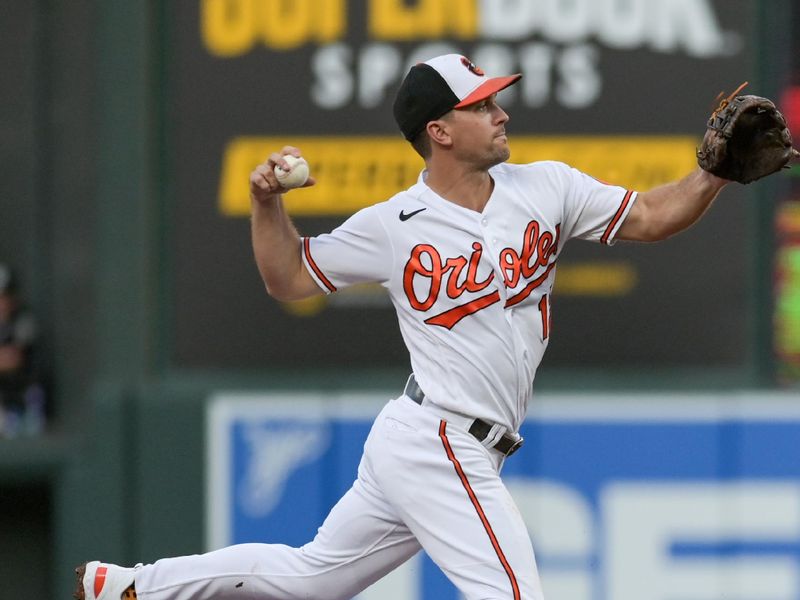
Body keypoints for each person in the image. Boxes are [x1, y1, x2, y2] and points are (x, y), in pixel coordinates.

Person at [75, 54, 731, 600]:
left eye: (495, 100)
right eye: (480, 106)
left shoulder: (547, 187)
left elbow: (650, 215)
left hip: (437, 439)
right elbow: (291, 277)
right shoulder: (395, 226)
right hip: (441, 438)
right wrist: (265, 202)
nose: (500, 113)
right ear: (439, 131)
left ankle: (129, 586)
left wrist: (712, 172)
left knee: (311, 580)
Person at [0, 263, 45, 437]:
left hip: (21, 396)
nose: (2, 302)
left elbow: (13, 359)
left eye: (5, 295)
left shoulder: (23, 320)